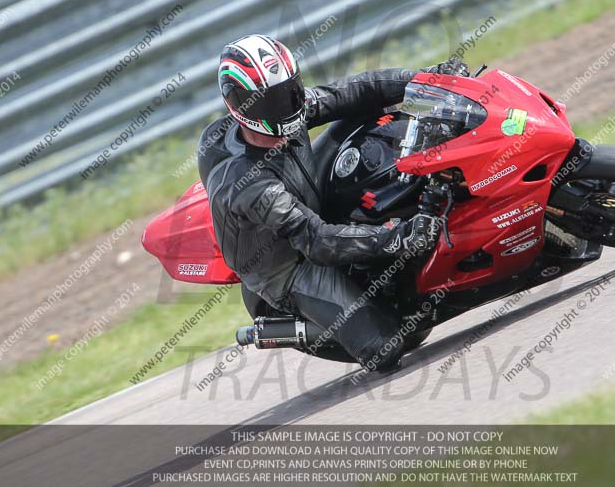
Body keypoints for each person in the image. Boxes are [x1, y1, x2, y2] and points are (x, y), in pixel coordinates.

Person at [197, 34, 470, 371]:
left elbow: (347, 92)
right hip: (291, 265)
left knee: (367, 112)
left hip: (304, 188)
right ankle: (285, 329)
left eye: (291, 91)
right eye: (274, 101)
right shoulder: (250, 186)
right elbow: (316, 242)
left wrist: (426, 79)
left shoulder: (285, 113)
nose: (289, 105)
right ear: (243, 107)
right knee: (388, 347)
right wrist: (396, 237)